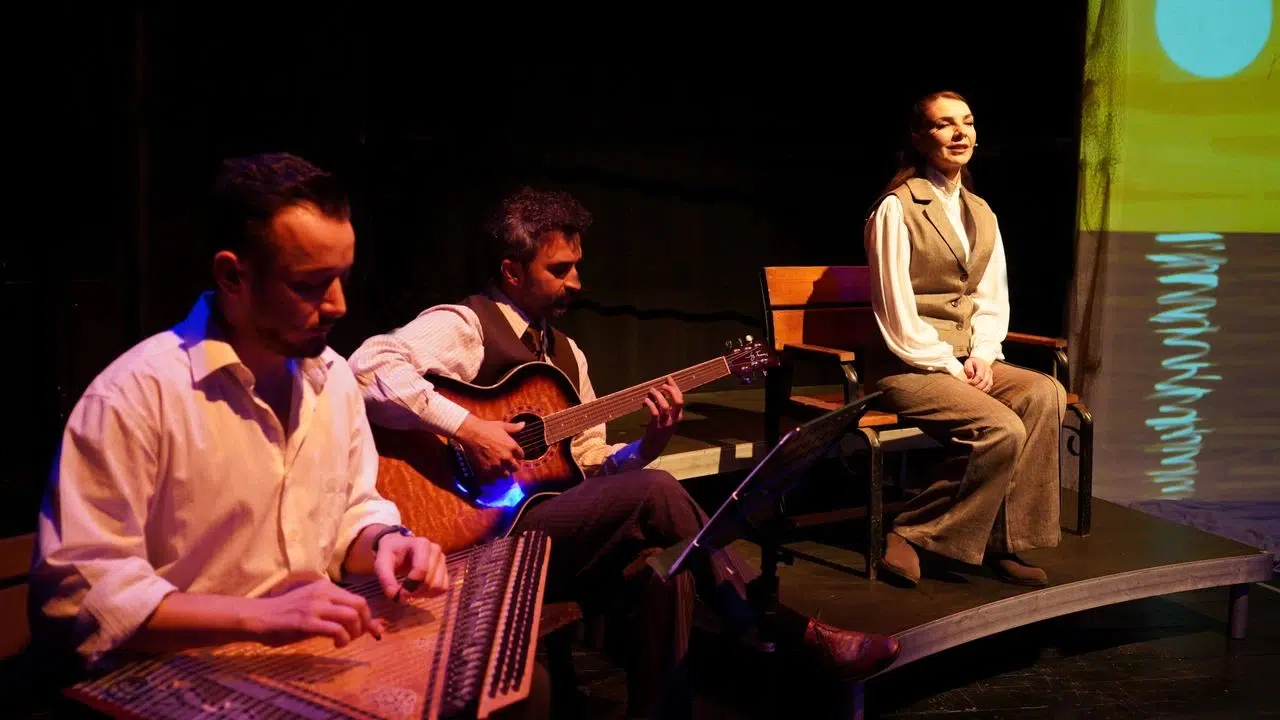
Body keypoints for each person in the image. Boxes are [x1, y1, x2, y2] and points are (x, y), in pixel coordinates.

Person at [348, 187, 901, 716]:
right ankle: (786, 627)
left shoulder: (568, 356)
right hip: (476, 538)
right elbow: (368, 367)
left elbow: (590, 463)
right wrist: (471, 428)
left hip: (548, 532)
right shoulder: (465, 326)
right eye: (559, 270)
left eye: (577, 267)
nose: (576, 282)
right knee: (657, 492)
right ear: (512, 271)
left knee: (667, 570)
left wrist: (646, 445)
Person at [25, 154, 519, 708]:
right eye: (309, 285)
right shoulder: (135, 395)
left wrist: (386, 542)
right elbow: (78, 597)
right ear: (232, 276)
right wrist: (258, 617)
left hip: (300, 659)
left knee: (506, 694)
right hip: (173, 679)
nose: (338, 305)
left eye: (342, 277)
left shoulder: (332, 380)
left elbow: (350, 511)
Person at [862, 90, 1068, 587]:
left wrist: (983, 355)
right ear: (919, 138)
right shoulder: (896, 208)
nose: (960, 133)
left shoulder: (981, 211)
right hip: (907, 365)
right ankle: (913, 531)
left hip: (963, 359)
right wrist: (952, 365)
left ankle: (1004, 538)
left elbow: (990, 297)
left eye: (967, 122)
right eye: (944, 124)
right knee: (1001, 428)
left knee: (1046, 393)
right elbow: (897, 313)